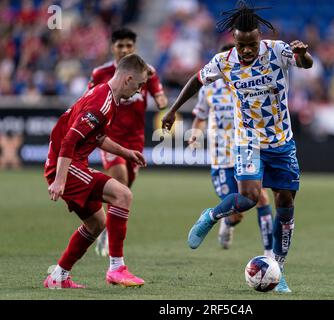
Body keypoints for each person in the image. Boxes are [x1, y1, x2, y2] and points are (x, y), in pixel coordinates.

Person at [162, 1, 313, 293]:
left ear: (259, 38)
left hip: (282, 142)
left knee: (286, 203)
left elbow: (306, 65)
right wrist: (173, 109)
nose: (247, 50)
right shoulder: (223, 61)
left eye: (252, 44)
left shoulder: (277, 51)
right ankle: (210, 216)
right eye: (242, 44)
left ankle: (277, 268)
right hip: (247, 141)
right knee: (249, 198)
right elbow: (196, 80)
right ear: (234, 40)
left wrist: (304, 55)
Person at [44, 54, 148, 289]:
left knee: (96, 224)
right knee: (123, 195)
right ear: (128, 78)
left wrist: (126, 152)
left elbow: (97, 137)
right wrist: (60, 180)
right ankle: (116, 268)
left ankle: (58, 277)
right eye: (139, 85)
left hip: (69, 163)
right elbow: (70, 140)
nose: (139, 91)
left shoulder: (107, 96)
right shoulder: (103, 103)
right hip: (66, 166)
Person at [87, 28, 168, 257]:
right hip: (109, 138)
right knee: (120, 180)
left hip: (136, 140)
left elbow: (159, 95)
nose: (124, 50)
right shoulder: (101, 72)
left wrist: (164, 103)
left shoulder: (147, 71)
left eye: (129, 46)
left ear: (134, 47)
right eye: (120, 45)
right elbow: (89, 98)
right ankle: (110, 238)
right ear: (112, 47)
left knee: (125, 187)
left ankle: (105, 227)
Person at [189, 43, 274, 255]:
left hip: (246, 151)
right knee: (235, 214)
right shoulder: (209, 89)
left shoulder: (251, 86)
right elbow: (200, 117)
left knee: (262, 197)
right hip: (221, 157)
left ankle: (270, 256)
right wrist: (195, 133)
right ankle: (227, 223)